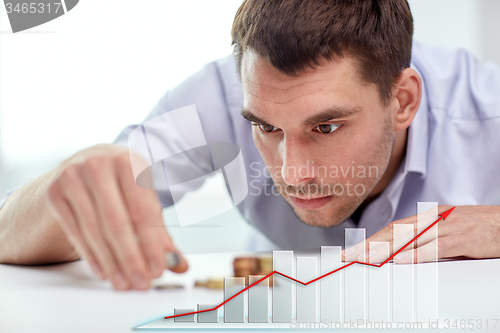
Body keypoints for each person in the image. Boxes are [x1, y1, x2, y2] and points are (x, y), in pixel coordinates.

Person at [1, 0, 499, 291]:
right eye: (266, 128)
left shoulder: (487, 110)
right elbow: (5, 233)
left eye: (326, 128)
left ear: (403, 99)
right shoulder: (222, 96)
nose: (294, 173)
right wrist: (64, 193)